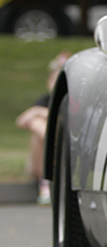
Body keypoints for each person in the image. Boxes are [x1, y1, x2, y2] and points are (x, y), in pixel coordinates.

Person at [16, 51, 69, 204]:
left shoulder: (73, 103)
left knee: (38, 123)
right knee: (36, 124)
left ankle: (47, 180)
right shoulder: (45, 100)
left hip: (65, 150)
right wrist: (40, 112)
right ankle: (45, 179)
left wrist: (42, 113)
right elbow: (21, 120)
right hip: (41, 159)